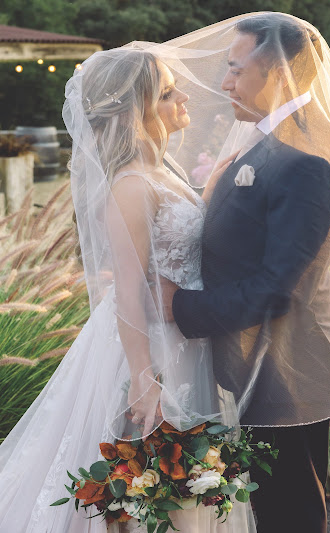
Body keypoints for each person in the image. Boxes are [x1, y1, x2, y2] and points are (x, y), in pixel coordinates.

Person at [153, 12, 330, 533]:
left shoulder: (308, 158)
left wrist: (179, 306)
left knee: (290, 512)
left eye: (236, 69)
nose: (225, 83)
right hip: (258, 357)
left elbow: (278, 288)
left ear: (279, 73)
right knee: (275, 506)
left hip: (286, 367)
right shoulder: (268, 139)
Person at [0, 48, 255, 533]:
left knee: (187, 477)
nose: (183, 97)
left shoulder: (161, 173)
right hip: (151, 347)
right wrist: (142, 378)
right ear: (134, 112)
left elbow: (177, 249)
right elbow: (129, 289)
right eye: (167, 93)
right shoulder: (131, 186)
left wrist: (211, 194)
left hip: (186, 339)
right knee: (148, 480)